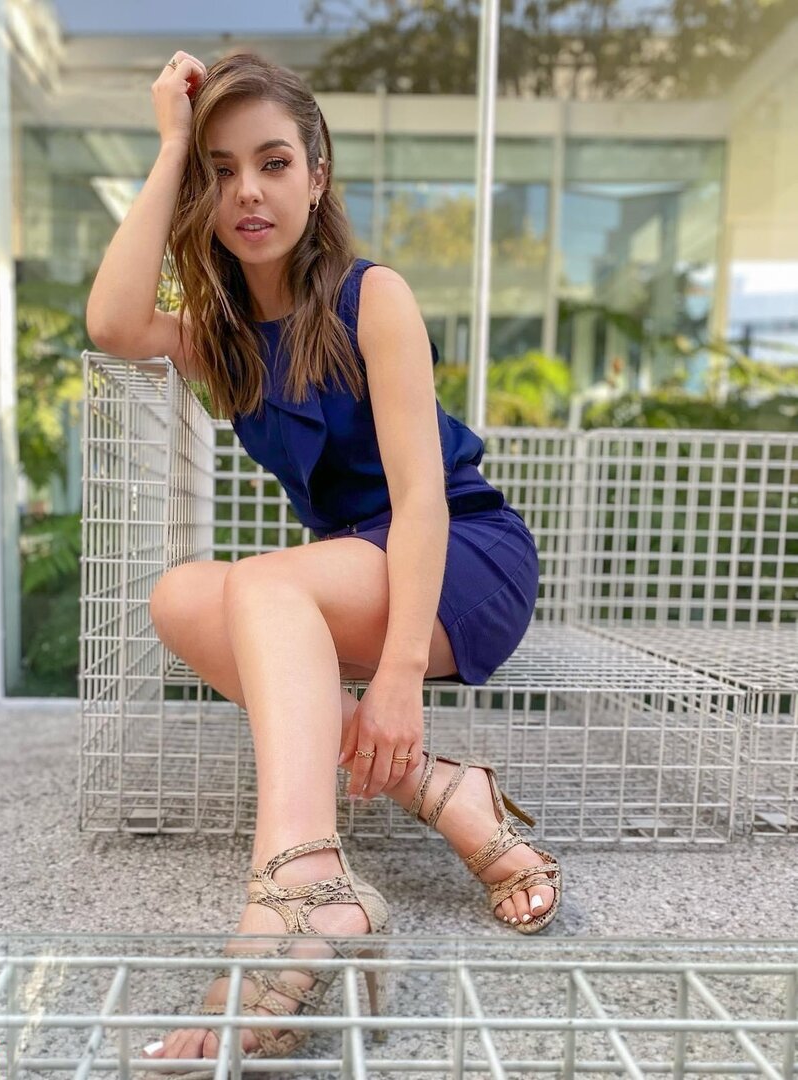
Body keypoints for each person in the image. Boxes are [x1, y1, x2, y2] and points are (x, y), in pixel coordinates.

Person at [86, 49, 561, 1075]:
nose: (247, 192)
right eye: (220, 171)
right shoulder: (224, 335)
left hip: (460, 557)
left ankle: (299, 893)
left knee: (261, 580)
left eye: (272, 163)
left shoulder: (370, 296)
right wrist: (169, 143)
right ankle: (443, 794)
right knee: (180, 597)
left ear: (317, 174)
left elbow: (423, 498)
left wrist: (398, 680)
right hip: (347, 568)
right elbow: (114, 321)